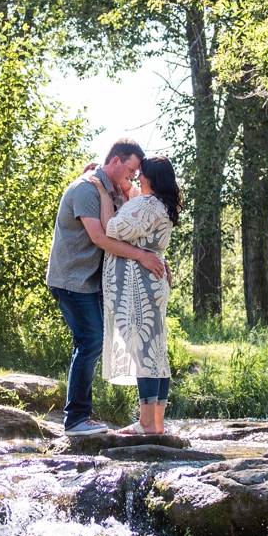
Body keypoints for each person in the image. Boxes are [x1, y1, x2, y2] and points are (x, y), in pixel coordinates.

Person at [44, 138, 169, 433]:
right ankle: (75, 419)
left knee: (93, 342)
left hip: (91, 281)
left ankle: (86, 416)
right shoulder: (88, 188)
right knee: (90, 341)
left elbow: (138, 226)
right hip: (72, 279)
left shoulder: (113, 189)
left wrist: (158, 258)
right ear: (115, 162)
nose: (135, 177)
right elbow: (102, 237)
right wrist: (143, 256)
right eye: (131, 170)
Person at [87, 155, 182, 435]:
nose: (137, 178)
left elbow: (111, 227)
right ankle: (157, 423)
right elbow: (137, 208)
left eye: (141, 174)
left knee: (143, 350)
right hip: (155, 280)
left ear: (151, 178)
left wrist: (103, 192)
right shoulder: (165, 204)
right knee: (156, 349)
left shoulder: (146, 204)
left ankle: (146, 424)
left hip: (137, 282)